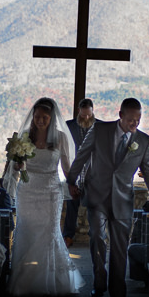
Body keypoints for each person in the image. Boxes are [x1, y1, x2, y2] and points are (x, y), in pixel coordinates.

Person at [69, 97, 149, 297]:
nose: (135, 124)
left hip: (122, 199)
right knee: (97, 238)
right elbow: (82, 155)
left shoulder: (143, 141)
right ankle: (98, 280)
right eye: (131, 120)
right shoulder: (100, 130)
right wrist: (70, 180)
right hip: (97, 195)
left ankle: (117, 289)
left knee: (120, 247)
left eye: (138, 120)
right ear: (120, 115)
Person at [3, 98, 84, 297]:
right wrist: (18, 165)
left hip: (51, 190)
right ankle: (25, 280)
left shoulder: (60, 138)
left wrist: (73, 183)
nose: (40, 121)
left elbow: (66, 166)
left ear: (51, 118)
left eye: (44, 118)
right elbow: (16, 166)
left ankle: (51, 279)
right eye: (37, 117)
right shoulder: (24, 137)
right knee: (27, 232)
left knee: (49, 233)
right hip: (28, 190)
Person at [62, 98, 96, 246]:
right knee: (72, 203)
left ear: (93, 111)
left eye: (89, 115)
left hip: (93, 172)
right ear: (78, 112)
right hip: (74, 171)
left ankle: (95, 235)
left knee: (95, 206)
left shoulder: (100, 126)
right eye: (83, 115)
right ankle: (68, 236)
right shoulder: (68, 126)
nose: (86, 118)